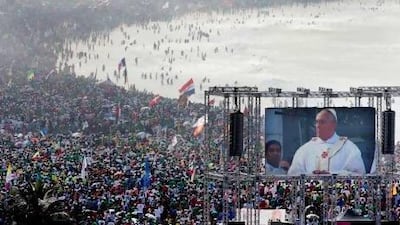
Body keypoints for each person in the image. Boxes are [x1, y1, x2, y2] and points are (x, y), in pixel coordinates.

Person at [287, 108, 366, 175]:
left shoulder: (349, 148)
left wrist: (333, 176)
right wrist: (312, 176)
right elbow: (293, 175)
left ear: (334, 124)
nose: (317, 125)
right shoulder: (305, 149)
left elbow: (359, 175)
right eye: (316, 122)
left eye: (322, 122)